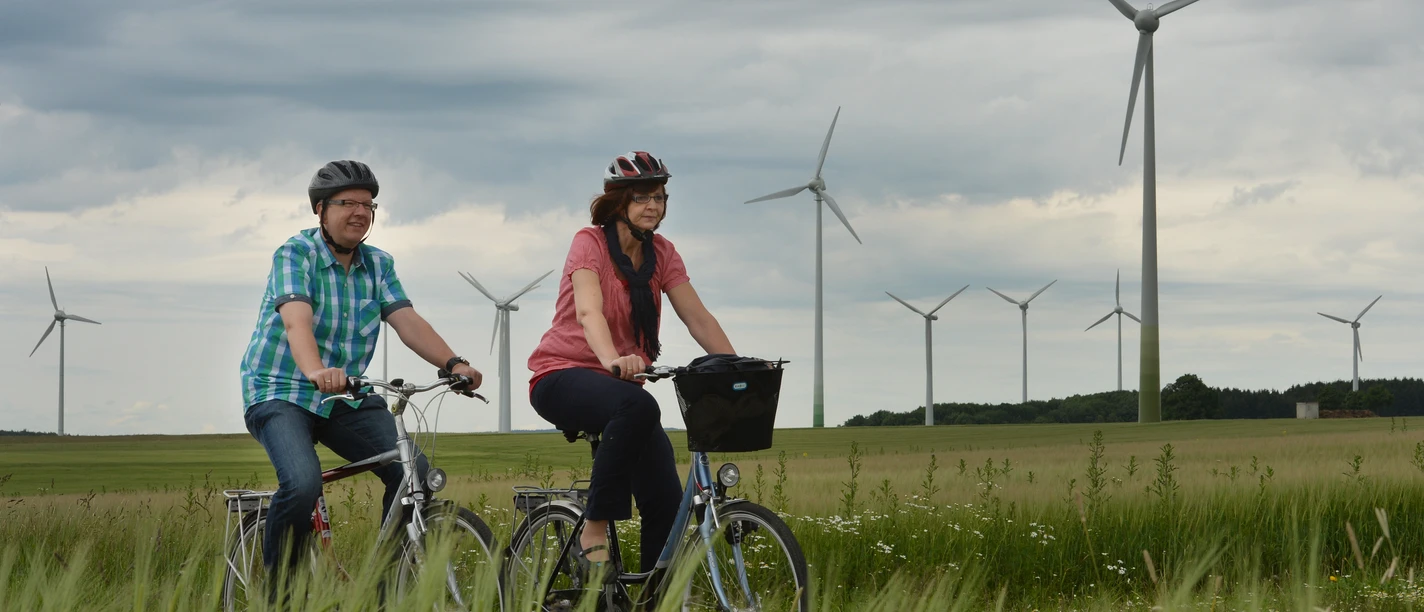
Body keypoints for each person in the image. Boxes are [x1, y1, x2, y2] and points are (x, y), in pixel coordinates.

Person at [238, 159, 484, 579]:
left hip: (346, 395)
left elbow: (407, 321)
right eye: (347, 203)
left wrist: (453, 363)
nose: (360, 212)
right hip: (281, 391)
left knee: (415, 475)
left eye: (368, 205)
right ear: (320, 210)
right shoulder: (295, 254)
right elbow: (297, 320)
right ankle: (278, 597)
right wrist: (316, 370)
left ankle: (383, 585)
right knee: (301, 484)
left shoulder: (378, 264)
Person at [526, 151, 736, 575]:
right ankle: (594, 527)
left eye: (660, 197)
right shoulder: (589, 242)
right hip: (560, 376)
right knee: (639, 405)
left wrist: (734, 366)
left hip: (620, 390)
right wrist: (610, 359)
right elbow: (589, 311)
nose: (653, 206)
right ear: (618, 202)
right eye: (642, 197)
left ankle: (650, 597)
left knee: (666, 503)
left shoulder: (663, 253)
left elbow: (697, 317)